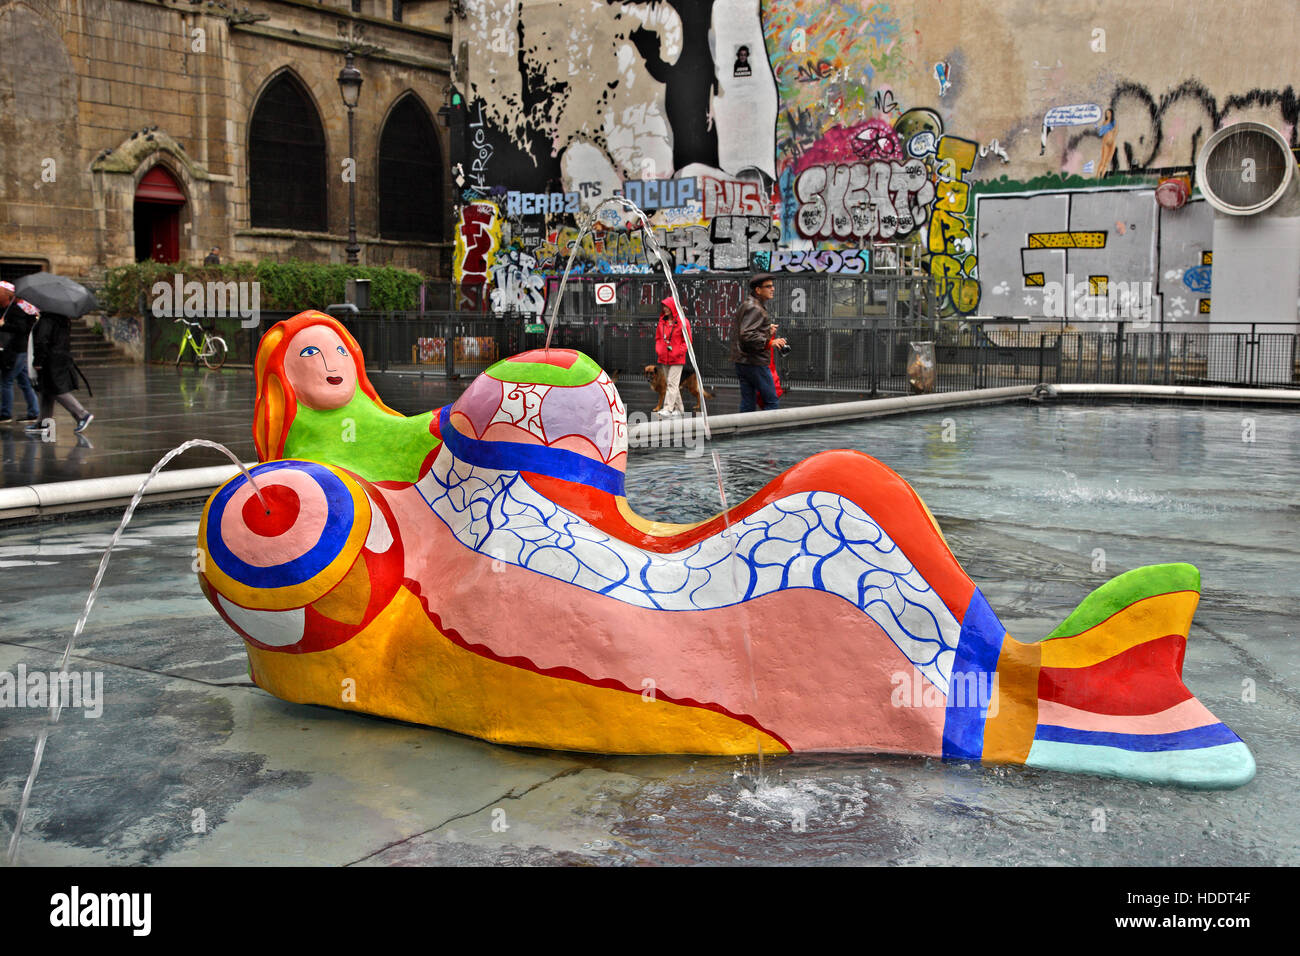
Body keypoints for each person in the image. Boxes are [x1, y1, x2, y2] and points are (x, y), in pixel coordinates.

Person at [26, 310, 93, 435]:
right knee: (46, 390)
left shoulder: (46, 320)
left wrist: (38, 361)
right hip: (60, 357)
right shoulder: (62, 319)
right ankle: (44, 422)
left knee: (57, 390)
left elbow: (42, 341)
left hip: (49, 361)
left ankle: (82, 414)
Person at [731, 273, 786, 412]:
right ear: (758, 290)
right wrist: (769, 343)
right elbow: (747, 335)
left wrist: (767, 330)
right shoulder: (755, 308)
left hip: (743, 361)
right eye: (768, 286)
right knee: (771, 401)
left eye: (772, 286)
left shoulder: (748, 304)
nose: (772, 289)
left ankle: (744, 431)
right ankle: (767, 432)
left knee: (748, 401)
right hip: (755, 362)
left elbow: (745, 330)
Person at [0, 287, 40, 424]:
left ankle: (5, 413)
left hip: (18, 349)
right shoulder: (12, 309)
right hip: (20, 349)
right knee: (24, 382)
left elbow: (22, 328)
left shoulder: (17, 309)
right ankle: (34, 411)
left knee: (6, 381)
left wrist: (3, 325)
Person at [654, 296, 690, 417]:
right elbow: (658, 338)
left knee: (671, 383)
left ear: (673, 307)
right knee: (673, 384)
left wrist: (678, 351)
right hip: (664, 357)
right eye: (663, 306)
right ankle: (679, 409)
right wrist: (659, 349)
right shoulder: (661, 322)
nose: (665, 308)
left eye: (667, 306)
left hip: (677, 358)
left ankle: (668, 408)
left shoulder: (683, 322)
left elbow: (687, 341)